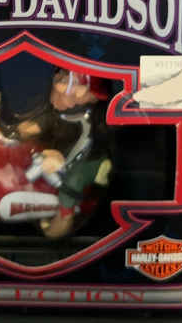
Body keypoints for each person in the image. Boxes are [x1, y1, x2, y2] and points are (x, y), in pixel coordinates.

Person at [17, 69, 112, 239]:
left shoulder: (88, 121)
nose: (58, 85)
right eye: (60, 78)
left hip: (89, 159)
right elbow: (45, 121)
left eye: (68, 81)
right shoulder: (58, 112)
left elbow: (82, 146)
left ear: (86, 93)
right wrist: (25, 129)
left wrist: (62, 162)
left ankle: (64, 217)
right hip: (58, 154)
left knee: (73, 182)